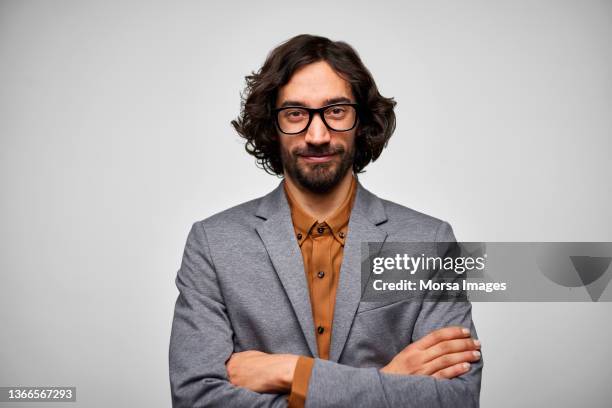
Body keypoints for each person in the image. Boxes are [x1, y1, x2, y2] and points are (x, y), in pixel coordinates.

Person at [169, 34, 483, 408]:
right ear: (272, 125)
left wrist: (294, 373)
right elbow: (196, 399)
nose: (317, 136)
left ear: (361, 120)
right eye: (296, 113)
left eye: (335, 110)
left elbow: (456, 399)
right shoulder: (212, 243)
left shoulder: (429, 240)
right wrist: (389, 383)